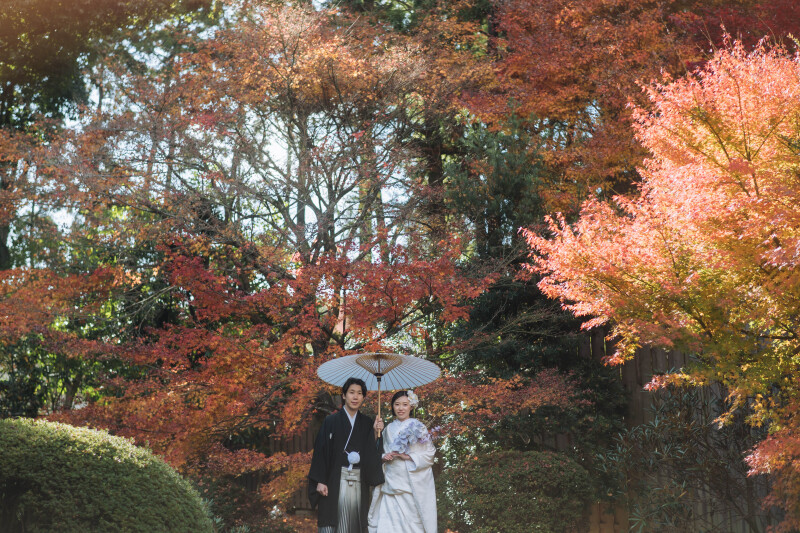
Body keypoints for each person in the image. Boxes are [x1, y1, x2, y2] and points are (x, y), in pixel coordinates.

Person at [308, 377, 385, 533]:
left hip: (358, 480)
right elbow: (320, 452)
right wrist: (320, 480)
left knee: (356, 523)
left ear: (363, 397)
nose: (355, 397)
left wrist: (376, 434)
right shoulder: (331, 421)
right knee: (331, 522)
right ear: (343, 395)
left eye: (359, 393)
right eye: (351, 392)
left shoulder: (367, 423)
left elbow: (371, 454)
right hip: (333, 480)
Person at [368, 390, 437, 533]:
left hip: (410, 484)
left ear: (411, 406)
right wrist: (382, 454)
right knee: (388, 526)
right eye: (397, 404)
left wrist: (409, 457)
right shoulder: (387, 430)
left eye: (405, 404)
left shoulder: (419, 428)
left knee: (412, 526)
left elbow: (429, 454)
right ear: (392, 406)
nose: (400, 408)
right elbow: (378, 452)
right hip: (390, 482)